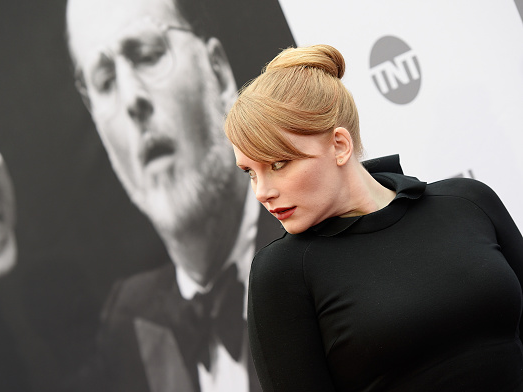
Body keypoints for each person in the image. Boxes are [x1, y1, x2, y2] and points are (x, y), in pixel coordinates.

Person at [0, 0, 294, 391]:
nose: (131, 99)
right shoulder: (128, 323)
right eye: (105, 81)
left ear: (218, 72)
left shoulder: (320, 249)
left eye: (147, 55)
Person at [224, 44, 523, 391]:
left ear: (339, 145)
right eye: (250, 171)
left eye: (278, 164)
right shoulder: (283, 272)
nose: (262, 191)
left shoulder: (468, 202)